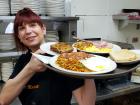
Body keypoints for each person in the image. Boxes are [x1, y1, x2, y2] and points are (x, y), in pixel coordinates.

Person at [0, 8, 96, 105]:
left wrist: (87, 66)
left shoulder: (64, 60)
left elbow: (87, 102)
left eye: (32, 25)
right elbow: (3, 100)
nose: (28, 31)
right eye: (22, 28)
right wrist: (29, 68)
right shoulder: (23, 61)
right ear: (19, 37)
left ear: (43, 29)